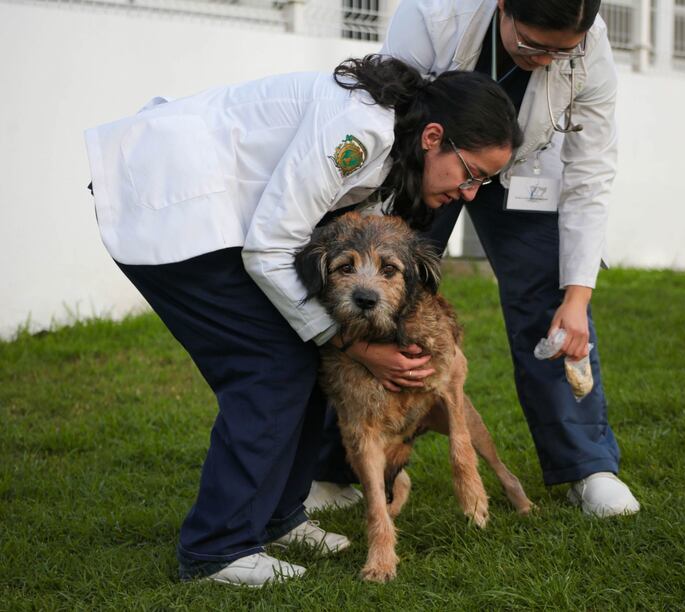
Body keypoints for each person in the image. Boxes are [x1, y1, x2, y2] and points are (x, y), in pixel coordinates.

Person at [84, 55, 522, 587]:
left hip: (214, 213)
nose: (471, 193)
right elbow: (270, 247)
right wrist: (356, 347)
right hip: (169, 204)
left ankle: (279, 517)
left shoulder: (390, 144)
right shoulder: (359, 134)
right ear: (433, 137)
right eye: (472, 174)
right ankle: (216, 550)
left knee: (301, 356)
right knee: (266, 366)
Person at [308, 0, 641, 518]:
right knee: (375, 293)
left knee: (548, 303)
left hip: (528, 172)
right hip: (435, 160)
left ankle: (587, 465)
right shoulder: (433, 14)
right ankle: (336, 469)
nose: (546, 61)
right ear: (504, 6)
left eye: (562, 52)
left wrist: (576, 297)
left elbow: (590, 172)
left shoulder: (589, 41)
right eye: (532, 45)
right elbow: (386, 116)